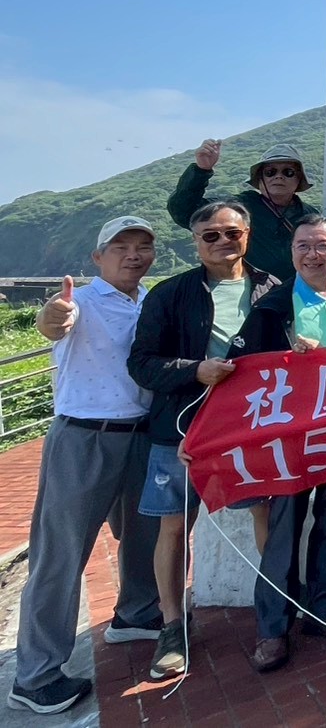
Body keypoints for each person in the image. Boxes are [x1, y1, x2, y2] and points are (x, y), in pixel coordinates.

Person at [8, 219, 163, 716]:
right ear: (98, 257)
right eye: (121, 247)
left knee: (145, 533)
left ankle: (136, 614)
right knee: (60, 554)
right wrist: (52, 316)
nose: (133, 255)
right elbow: (55, 323)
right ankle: (36, 676)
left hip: (141, 434)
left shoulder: (149, 302)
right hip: (84, 438)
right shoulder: (82, 301)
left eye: (143, 247)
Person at [127, 202, 276, 681]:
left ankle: (275, 614)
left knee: (263, 513)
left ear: (247, 234)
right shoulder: (170, 294)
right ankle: (173, 626)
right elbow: (141, 362)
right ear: (195, 242)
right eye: (210, 235)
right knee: (174, 526)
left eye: (231, 232)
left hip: (249, 427)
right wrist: (195, 371)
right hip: (179, 427)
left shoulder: (272, 289)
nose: (222, 242)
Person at [233, 215, 326, 672]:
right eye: (303, 246)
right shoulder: (272, 305)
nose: (312, 254)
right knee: (283, 528)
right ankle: (272, 627)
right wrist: (284, 358)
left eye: (322, 245)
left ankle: (325, 610)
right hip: (290, 435)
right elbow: (242, 367)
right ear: (292, 252)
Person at [167, 141, 312, 281]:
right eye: (270, 172)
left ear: (299, 179)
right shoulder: (239, 207)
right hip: (252, 290)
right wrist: (201, 171)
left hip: (300, 291)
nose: (278, 176)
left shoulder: (310, 215)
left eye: (288, 172)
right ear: (260, 179)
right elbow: (183, 211)